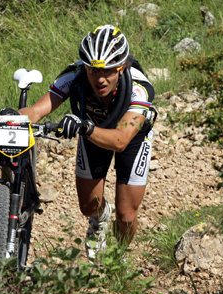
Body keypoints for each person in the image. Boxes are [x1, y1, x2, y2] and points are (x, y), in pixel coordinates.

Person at [18, 24, 156, 259]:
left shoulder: (139, 88)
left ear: (121, 67)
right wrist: (7, 118)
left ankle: (117, 258)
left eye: (108, 71)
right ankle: (100, 218)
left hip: (131, 136)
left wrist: (85, 128)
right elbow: (37, 111)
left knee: (126, 216)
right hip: (92, 130)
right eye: (93, 71)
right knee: (89, 207)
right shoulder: (76, 75)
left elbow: (121, 140)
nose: (99, 78)